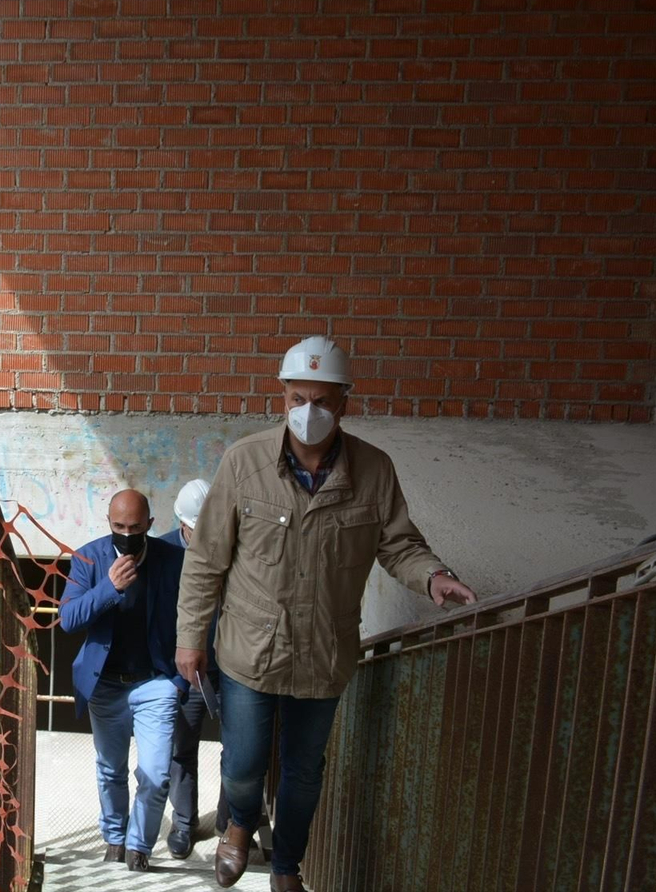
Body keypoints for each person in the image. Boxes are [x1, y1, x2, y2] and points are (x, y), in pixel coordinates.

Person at [175, 336, 477, 892]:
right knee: (242, 764)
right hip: (250, 649)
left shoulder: (374, 470)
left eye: (321, 399)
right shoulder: (245, 462)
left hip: (324, 652)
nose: (307, 411)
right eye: (297, 397)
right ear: (282, 397)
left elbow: (399, 544)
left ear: (344, 403)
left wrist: (433, 576)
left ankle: (287, 865)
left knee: (304, 774)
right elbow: (206, 559)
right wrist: (190, 638)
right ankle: (240, 824)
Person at [59, 489, 189, 873]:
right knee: (110, 769)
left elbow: (197, 616)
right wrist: (109, 588)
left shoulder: (173, 560)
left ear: (150, 525)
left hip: (156, 681)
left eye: (135, 527)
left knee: (156, 774)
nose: (127, 534)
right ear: (109, 524)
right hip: (106, 682)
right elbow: (68, 620)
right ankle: (115, 840)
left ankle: (138, 848)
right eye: (119, 526)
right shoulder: (89, 558)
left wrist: (181, 680)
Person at [160, 478, 227, 860]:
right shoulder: (164, 553)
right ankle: (183, 824)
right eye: (195, 530)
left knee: (237, 751)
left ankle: (228, 828)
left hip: (232, 667)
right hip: (186, 671)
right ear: (181, 524)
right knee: (182, 747)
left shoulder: (232, 546)